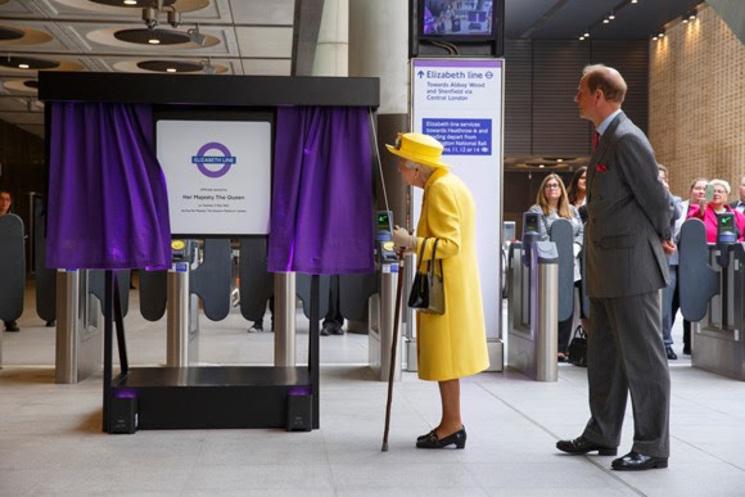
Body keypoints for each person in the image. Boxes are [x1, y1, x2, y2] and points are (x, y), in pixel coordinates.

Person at [556, 64, 674, 471]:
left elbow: (658, 199)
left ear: (600, 96)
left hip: (633, 268)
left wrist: (664, 233)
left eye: (581, 90)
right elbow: (618, 198)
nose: (576, 98)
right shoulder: (608, 139)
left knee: (644, 359)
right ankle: (603, 432)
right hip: (608, 267)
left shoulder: (626, 138)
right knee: (604, 356)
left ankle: (652, 446)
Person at [388, 132, 489, 449]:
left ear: (416, 167)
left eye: (402, 165)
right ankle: (450, 422)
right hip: (449, 287)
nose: (401, 172)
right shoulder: (447, 184)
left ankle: (452, 425)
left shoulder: (441, 189)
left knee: (447, 359)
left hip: (445, 290)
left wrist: (410, 243)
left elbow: (449, 244)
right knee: (448, 360)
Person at [527, 173, 583, 362]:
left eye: (556, 185)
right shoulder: (537, 210)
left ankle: (562, 347)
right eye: (548, 186)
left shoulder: (572, 211)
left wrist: (575, 247)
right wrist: (558, 252)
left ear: (561, 189)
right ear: (543, 190)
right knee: (551, 305)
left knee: (568, 304)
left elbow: (582, 232)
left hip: (572, 264)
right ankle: (549, 344)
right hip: (550, 264)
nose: (552, 188)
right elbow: (541, 236)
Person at [671, 177, 707, 355]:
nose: (701, 192)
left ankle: (689, 343)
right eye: (698, 188)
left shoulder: (709, 210)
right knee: (673, 301)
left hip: (696, 263)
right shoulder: (681, 207)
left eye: (704, 189)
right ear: (690, 190)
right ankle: (665, 342)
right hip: (677, 259)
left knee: (692, 300)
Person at [657, 165, 683, 360]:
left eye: (663, 178)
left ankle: (666, 342)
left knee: (666, 306)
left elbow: (676, 214)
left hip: (669, 260)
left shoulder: (674, 199)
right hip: (648, 255)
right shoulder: (645, 198)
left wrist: (665, 194)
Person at [0, 189, 20, 332]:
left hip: (7, 262)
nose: (4, 203)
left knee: (8, 288)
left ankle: (9, 319)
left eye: (7, 200)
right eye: (1, 199)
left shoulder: (14, 223)